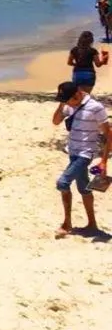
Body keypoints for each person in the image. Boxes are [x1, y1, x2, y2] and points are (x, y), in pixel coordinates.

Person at [53, 79, 111, 238]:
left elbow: (108, 134)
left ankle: (67, 223)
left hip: (85, 154)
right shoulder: (68, 105)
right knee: (83, 188)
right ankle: (92, 224)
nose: (68, 103)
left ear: (78, 94)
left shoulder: (95, 107)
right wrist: (62, 103)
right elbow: (56, 121)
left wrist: (104, 161)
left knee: (62, 183)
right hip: (72, 152)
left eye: (69, 99)